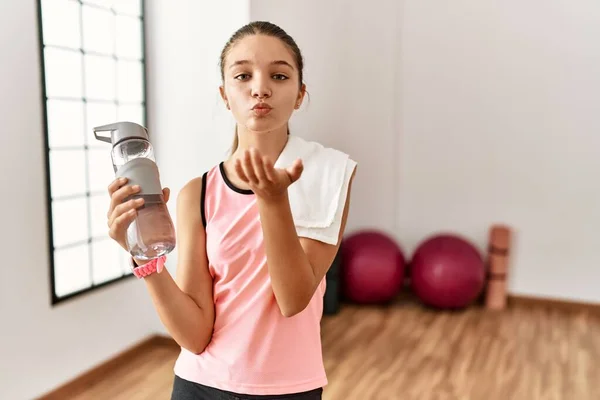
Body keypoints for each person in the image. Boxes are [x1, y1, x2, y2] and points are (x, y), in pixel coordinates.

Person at [106, 21, 356, 400]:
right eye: (243, 75)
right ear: (225, 94)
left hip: (288, 389)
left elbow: (293, 299)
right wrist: (141, 251)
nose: (260, 88)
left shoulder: (327, 171)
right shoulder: (198, 193)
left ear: (300, 93)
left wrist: (273, 201)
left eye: (279, 75)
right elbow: (194, 335)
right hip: (198, 386)